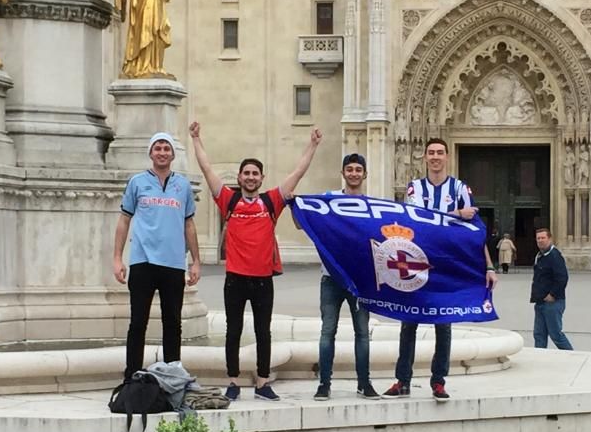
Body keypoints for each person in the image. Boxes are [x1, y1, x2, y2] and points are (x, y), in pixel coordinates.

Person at [189, 121, 322, 402]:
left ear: (262, 178)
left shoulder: (271, 202)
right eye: (246, 173)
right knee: (233, 331)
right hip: (235, 278)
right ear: (239, 177)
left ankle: (262, 382)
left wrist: (312, 145)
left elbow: (298, 172)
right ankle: (233, 382)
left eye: (255, 174)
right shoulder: (228, 200)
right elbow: (207, 169)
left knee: (264, 331)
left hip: (262, 279)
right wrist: (196, 139)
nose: (250, 177)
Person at [385, 138, 499, 403]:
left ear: (447, 156)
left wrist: (489, 266)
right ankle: (403, 380)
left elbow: (474, 231)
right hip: (415, 262)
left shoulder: (459, 187)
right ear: (425, 157)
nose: (435, 157)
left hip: (446, 265)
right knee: (408, 322)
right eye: (431, 153)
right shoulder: (414, 188)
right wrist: (458, 212)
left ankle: (438, 381)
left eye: (439, 152)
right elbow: (417, 219)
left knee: (443, 325)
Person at [113, 133, 201, 382]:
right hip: (143, 261)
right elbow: (124, 220)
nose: (162, 152)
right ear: (151, 153)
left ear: (173, 155)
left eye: (166, 148)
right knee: (138, 321)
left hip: (173, 263)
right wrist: (117, 258)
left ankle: (173, 373)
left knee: (172, 322)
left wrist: (195, 261)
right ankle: (131, 375)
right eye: (157, 148)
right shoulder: (137, 182)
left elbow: (189, 224)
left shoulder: (182, 185)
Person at [314, 153, 379, 401]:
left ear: (365, 174)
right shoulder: (329, 200)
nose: (353, 173)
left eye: (358, 169)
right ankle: (324, 384)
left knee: (362, 332)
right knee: (327, 331)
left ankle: (364, 383)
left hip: (359, 280)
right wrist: (294, 203)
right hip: (331, 278)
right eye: (349, 169)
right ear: (343, 173)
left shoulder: (371, 206)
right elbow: (302, 223)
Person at [530, 228, 573, 350]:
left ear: (550, 239)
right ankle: (539, 358)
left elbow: (562, 277)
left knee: (556, 335)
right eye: (538, 238)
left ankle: (573, 357)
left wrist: (552, 295)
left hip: (552, 302)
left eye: (543, 238)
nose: (540, 241)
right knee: (539, 334)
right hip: (540, 301)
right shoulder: (539, 255)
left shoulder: (555, 256)